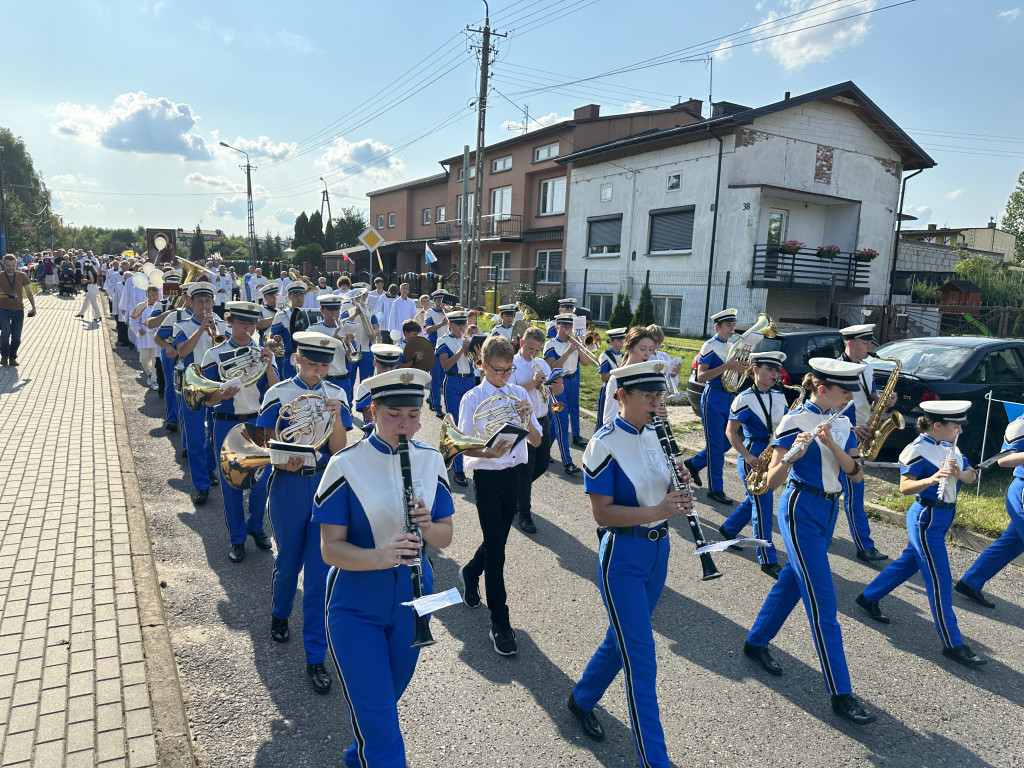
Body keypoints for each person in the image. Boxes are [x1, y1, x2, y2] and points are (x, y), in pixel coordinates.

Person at [315, 367, 453, 764]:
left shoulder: (430, 460)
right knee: (382, 727)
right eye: (394, 414)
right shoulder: (344, 465)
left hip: (416, 597)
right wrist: (380, 556)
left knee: (382, 707)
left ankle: (357, 756)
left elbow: (445, 536)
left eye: (413, 415)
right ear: (373, 411)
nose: (405, 424)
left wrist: (429, 525)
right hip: (356, 602)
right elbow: (330, 550)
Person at [567, 360, 696, 765]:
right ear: (621, 395)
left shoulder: (657, 434)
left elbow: (662, 487)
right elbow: (602, 514)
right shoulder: (603, 444)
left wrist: (681, 480)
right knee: (642, 658)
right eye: (649, 396)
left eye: (660, 395)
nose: (658, 403)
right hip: (623, 555)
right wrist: (659, 507)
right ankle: (656, 760)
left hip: (660, 551)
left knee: (620, 638)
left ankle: (582, 698)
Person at [743, 358, 876, 726]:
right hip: (800, 507)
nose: (849, 396)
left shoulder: (844, 421)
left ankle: (755, 643)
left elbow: (856, 475)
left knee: (792, 582)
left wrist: (833, 444)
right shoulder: (794, 421)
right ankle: (841, 694)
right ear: (821, 388)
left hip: (828, 510)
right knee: (824, 602)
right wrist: (795, 454)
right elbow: (771, 481)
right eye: (843, 389)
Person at [856, 401, 986, 668]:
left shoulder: (951, 446)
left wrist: (961, 473)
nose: (959, 430)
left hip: (944, 516)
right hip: (926, 517)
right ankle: (953, 643)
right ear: (937, 425)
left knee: (909, 562)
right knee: (939, 580)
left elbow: (972, 476)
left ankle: (868, 597)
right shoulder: (916, 449)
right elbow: (905, 487)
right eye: (955, 426)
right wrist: (934, 478)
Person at [261, 332, 352, 695]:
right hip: (289, 486)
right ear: (297, 358)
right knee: (288, 562)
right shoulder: (278, 392)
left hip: (325, 487)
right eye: (311, 364)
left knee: (319, 576)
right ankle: (279, 612)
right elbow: (267, 440)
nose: (317, 372)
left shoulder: (338, 395)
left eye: (323, 365)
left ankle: (316, 655)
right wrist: (285, 459)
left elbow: (340, 448)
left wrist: (337, 420)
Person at [455, 336, 542, 656]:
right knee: (497, 552)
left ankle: (470, 571)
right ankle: (500, 623)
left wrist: (525, 418)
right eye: (499, 371)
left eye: (509, 371)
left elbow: (535, 441)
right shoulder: (472, 397)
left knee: (497, 542)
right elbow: (463, 443)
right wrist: (491, 448)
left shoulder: (520, 393)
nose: (504, 377)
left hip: (515, 476)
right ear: (483, 365)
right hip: (487, 477)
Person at [201, 301, 279, 562]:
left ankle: (255, 527)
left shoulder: (262, 352)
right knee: (231, 485)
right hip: (225, 421)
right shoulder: (215, 354)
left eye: (252, 323)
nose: (247, 328)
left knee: (260, 484)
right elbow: (207, 401)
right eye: (242, 323)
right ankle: (237, 539)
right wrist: (219, 394)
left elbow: (276, 391)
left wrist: (268, 364)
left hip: (257, 423)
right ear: (230, 323)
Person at [720, 351, 789, 579]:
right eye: (770, 369)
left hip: (773, 454)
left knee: (755, 500)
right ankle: (768, 560)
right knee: (763, 507)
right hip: (753, 456)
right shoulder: (743, 398)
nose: (775, 374)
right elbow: (731, 432)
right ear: (755, 369)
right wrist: (747, 456)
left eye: (776, 370)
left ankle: (728, 529)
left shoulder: (781, 396)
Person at [955, 413, 1024, 610]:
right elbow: (1003, 459)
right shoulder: (1021, 424)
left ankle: (971, 582)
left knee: (1012, 543)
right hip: (1022, 490)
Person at [837, 324, 891, 562]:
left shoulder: (867, 368)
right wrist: (851, 427)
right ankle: (863, 545)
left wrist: (884, 401)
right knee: (837, 489)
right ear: (850, 343)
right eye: (865, 342)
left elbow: (871, 397)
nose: (870, 345)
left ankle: (863, 544)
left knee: (852, 491)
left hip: (861, 436)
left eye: (870, 342)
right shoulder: (834, 369)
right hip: (840, 435)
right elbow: (826, 407)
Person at [172, 283, 229, 506]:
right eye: (200, 302)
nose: (204, 306)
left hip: (217, 382)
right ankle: (201, 485)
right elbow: (182, 351)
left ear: (213, 302)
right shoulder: (182, 325)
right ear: (191, 303)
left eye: (208, 301)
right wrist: (201, 329)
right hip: (193, 383)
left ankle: (209, 467)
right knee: (195, 437)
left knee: (216, 433)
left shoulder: (224, 325)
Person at [685, 308, 747, 505]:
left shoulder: (733, 345)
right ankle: (715, 489)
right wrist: (727, 366)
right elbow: (701, 376)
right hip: (713, 397)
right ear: (717, 327)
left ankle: (693, 464)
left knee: (729, 441)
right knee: (715, 446)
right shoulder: (709, 346)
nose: (732, 329)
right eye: (728, 326)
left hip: (730, 397)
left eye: (733, 325)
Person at [509, 326, 562, 534]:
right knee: (526, 468)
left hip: (543, 418)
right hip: (524, 421)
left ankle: (514, 493)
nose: (534, 354)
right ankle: (524, 514)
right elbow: (513, 393)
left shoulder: (540, 364)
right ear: (522, 343)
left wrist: (556, 384)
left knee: (542, 464)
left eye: (537, 350)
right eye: (530, 348)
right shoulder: (512, 364)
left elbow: (556, 390)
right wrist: (534, 381)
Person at [544, 313, 591, 473]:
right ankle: (567, 462)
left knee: (553, 422)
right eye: (563, 326)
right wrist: (568, 351)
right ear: (557, 326)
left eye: (569, 326)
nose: (567, 330)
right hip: (558, 383)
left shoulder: (575, 342)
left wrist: (579, 346)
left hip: (573, 383)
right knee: (562, 424)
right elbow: (552, 367)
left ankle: (542, 451)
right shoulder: (550, 345)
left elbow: (586, 362)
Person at [436, 309, 475, 486]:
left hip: (470, 381)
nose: (462, 327)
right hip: (453, 382)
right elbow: (445, 365)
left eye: (463, 324)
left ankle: (455, 458)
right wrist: (461, 350)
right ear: (450, 324)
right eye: (458, 324)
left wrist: (475, 352)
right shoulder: (442, 341)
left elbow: (477, 362)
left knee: (470, 424)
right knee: (456, 425)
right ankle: (458, 469)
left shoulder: (469, 339)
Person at [600, 327, 656, 428]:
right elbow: (608, 420)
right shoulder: (617, 379)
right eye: (642, 349)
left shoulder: (649, 377)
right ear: (629, 348)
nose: (647, 354)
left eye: (651, 349)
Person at [308, 294, 358, 405]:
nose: (334, 314)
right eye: (330, 310)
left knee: (345, 416)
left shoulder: (345, 328)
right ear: (322, 310)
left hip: (343, 380)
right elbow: (313, 355)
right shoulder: (314, 330)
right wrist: (334, 339)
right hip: (324, 380)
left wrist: (348, 343)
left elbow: (351, 359)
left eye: (336, 309)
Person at [151, 272, 186, 432]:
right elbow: (150, 324)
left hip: (186, 350)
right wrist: (170, 313)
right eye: (169, 285)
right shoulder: (162, 304)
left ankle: (186, 418)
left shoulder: (188, 304)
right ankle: (172, 418)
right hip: (169, 350)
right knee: (171, 386)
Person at [0, 255, 37, 368]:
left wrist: (33, 307)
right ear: (3, 264)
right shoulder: (0, 276)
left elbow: (29, 292)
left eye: (13, 265)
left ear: (16, 264)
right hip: (3, 309)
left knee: (16, 337)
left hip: (18, 309)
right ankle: (4, 355)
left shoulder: (22, 275)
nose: (11, 268)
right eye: (8, 266)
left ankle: (12, 357)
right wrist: (5, 296)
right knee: (6, 332)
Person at [353, 343, 403, 424]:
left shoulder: (400, 385)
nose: (387, 371)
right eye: (383, 367)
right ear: (375, 363)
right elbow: (368, 414)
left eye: (391, 367)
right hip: (375, 429)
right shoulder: (366, 385)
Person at [270, 283, 309, 380]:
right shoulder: (282, 315)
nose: (299, 298)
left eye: (301, 295)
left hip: (308, 359)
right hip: (290, 360)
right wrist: (274, 342)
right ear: (289, 296)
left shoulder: (309, 313)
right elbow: (272, 335)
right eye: (296, 295)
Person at [422, 290, 449, 418]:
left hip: (447, 347)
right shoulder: (429, 312)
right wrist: (441, 324)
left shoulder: (447, 312)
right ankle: (437, 406)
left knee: (444, 378)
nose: (440, 303)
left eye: (442, 300)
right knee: (436, 378)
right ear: (434, 300)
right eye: (438, 300)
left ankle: (430, 397)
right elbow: (427, 329)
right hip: (434, 348)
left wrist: (449, 314)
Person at [129, 286, 162, 390]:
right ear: (147, 295)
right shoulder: (141, 306)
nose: (154, 297)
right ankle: (149, 374)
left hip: (157, 339)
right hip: (145, 338)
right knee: (144, 360)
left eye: (156, 294)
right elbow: (133, 321)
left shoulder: (162, 306)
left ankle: (154, 380)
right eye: (152, 294)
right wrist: (138, 329)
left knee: (155, 361)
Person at [594, 327, 626, 429]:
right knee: (602, 420)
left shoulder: (623, 356)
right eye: (619, 340)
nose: (622, 343)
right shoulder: (605, 356)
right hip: (608, 390)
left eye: (622, 340)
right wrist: (619, 371)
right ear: (611, 341)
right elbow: (603, 377)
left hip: (621, 390)